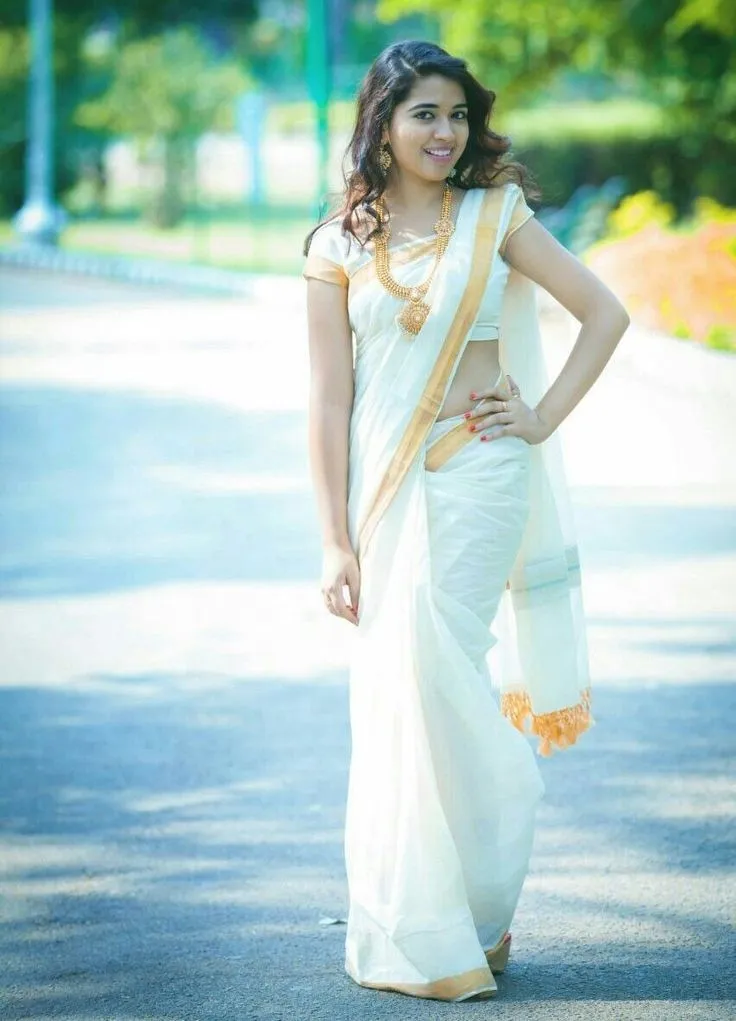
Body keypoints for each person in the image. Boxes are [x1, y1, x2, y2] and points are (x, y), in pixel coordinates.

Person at [302, 40, 629, 1003]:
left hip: (483, 476)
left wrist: (541, 416)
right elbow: (327, 404)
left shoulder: (496, 216)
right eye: (423, 116)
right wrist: (332, 537)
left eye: (455, 115)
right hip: (385, 495)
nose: (444, 133)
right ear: (383, 126)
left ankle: (473, 899)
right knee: (401, 691)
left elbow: (602, 312)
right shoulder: (337, 247)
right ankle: (444, 916)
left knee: (438, 674)